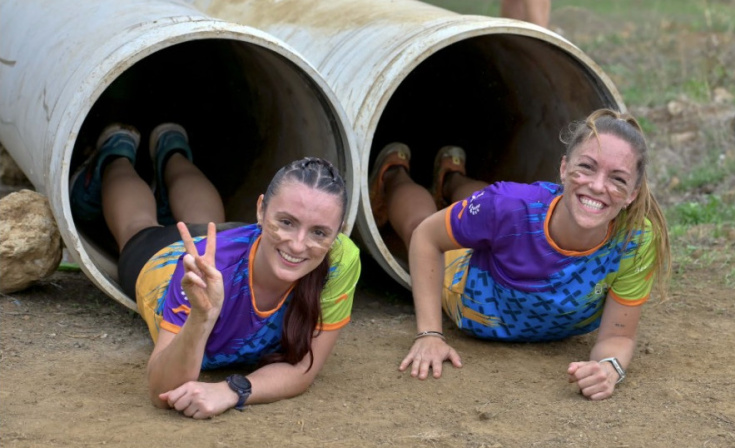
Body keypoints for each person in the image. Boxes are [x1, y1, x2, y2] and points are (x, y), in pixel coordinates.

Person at [368, 108, 670, 400]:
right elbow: (426, 238)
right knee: (425, 222)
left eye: (618, 178)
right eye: (587, 167)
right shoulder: (508, 205)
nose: (597, 185)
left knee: (491, 209)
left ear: (632, 193)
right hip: (466, 285)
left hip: (507, 221)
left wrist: (609, 368)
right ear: (564, 169)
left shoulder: (636, 239)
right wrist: (430, 334)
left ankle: (451, 179)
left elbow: (618, 337)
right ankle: (394, 175)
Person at [70, 123, 361, 418]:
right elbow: (162, 391)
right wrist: (201, 317)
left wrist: (232, 390)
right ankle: (114, 157)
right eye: (286, 222)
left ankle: (173, 151)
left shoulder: (340, 260)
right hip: (168, 260)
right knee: (137, 227)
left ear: (339, 232)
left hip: (231, 243)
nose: (299, 245)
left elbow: (303, 369)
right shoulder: (211, 266)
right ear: (261, 210)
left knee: (206, 221)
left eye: (319, 232)